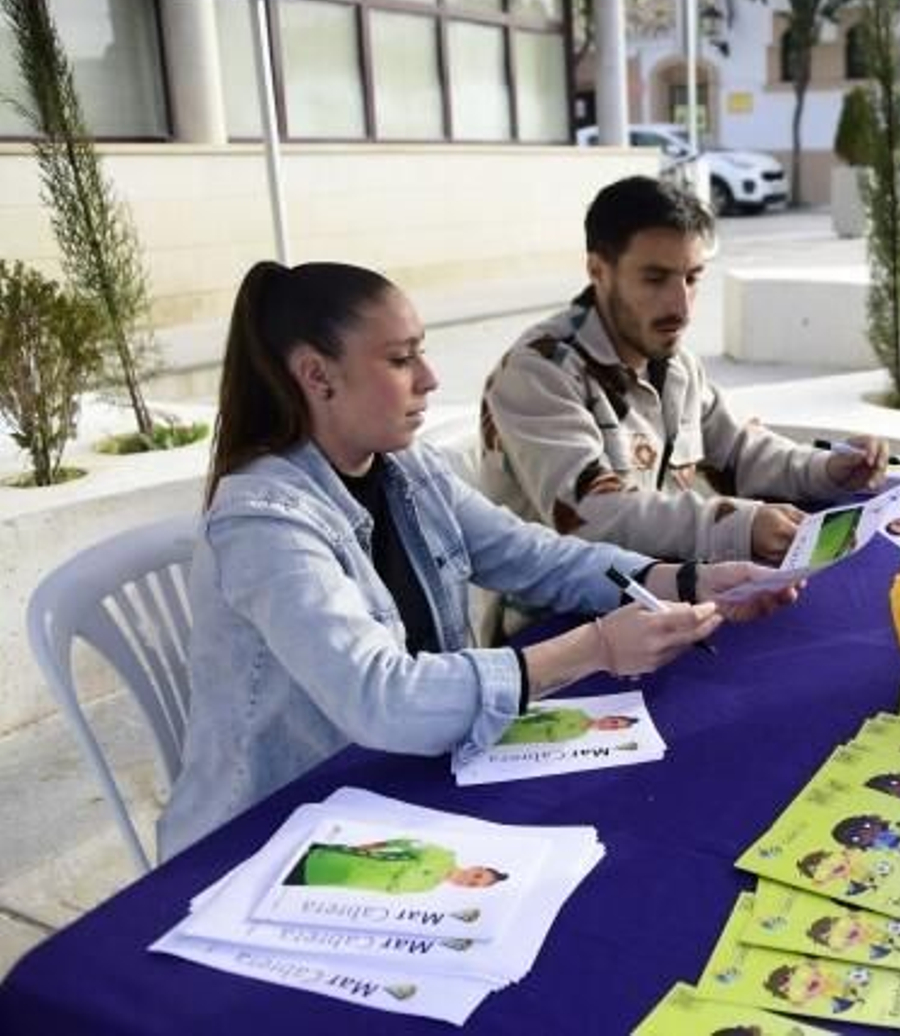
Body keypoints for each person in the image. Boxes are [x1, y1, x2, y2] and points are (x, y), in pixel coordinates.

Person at [158, 261, 796, 860]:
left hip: (392, 786)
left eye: (422, 353)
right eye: (401, 359)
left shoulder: (406, 468)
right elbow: (384, 699)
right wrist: (597, 648)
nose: (430, 378)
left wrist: (687, 579)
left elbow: (534, 556)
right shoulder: (266, 522)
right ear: (317, 376)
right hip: (263, 841)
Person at [479, 176, 887, 571]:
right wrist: (737, 526)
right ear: (598, 271)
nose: (681, 307)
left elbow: (738, 453)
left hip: (668, 591)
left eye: (691, 278)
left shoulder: (675, 364)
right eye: (655, 279)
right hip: (565, 611)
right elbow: (592, 515)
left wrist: (825, 468)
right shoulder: (537, 372)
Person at [283, 837, 506, 894]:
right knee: (286, 849)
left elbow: (394, 887)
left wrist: (413, 869)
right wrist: (371, 847)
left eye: (473, 885)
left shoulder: (427, 887)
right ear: (476, 868)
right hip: (343, 857)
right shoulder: (444, 856)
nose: (470, 881)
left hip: (334, 879)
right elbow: (405, 843)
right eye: (477, 876)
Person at [497, 708, 637, 745]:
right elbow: (536, 712)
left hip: (507, 741)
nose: (610, 726)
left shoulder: (578, 735)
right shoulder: (576, 714)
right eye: (614, 722)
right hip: (506, 725)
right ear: (608, 717)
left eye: (615, 728)